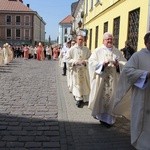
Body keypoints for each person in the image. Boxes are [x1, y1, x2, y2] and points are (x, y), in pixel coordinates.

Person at [114, 32, 150, 150]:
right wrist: (145, 74)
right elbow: (127, 71)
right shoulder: (138, 56)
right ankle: (140, 142)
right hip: (142, 95)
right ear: (147, 43)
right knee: (142, 118)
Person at [88, 32, 126, 127]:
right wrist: (102, 64)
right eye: (107, 39)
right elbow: (91, 62)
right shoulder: (98, 51)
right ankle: (101, 117)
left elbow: (124, 63)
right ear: (103, 40)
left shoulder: (117, 52)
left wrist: (118, 65)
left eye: (111, 39)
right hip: (102, 80)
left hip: (113, 80)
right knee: (101, 98)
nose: (109, 40)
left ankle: (109, 119)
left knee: (112, 98)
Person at [66, 35, 91, 107]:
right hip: (76, 71)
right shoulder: (72, 49)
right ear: (76, 40)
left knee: (84, 84)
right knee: (77, 85)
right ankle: (78, 99)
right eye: (79, 39)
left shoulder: (86, 49)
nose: (81, 41)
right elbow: (67, 59)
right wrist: (75, 61)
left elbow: (90, 58)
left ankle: (85, 98)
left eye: (82, 39)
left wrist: (85, 61)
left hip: (84, 70)